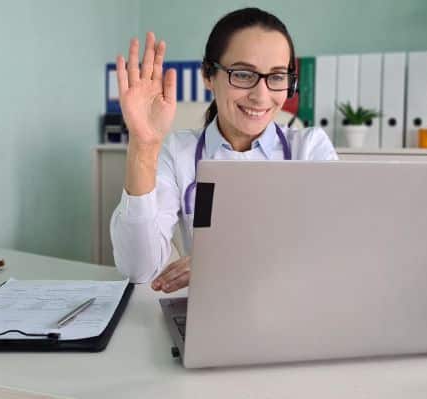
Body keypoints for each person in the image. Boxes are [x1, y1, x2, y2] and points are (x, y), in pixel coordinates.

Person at [110, 7, 338, 293]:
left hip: (297, 311)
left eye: (277, 77)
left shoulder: (310, 148)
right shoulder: (179, 152)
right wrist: (143, 146)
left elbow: (333, 252)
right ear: (208, 75)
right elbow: (138, 269)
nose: (261, 96)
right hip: (210, 313)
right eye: (243, 74)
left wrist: (225, 261)